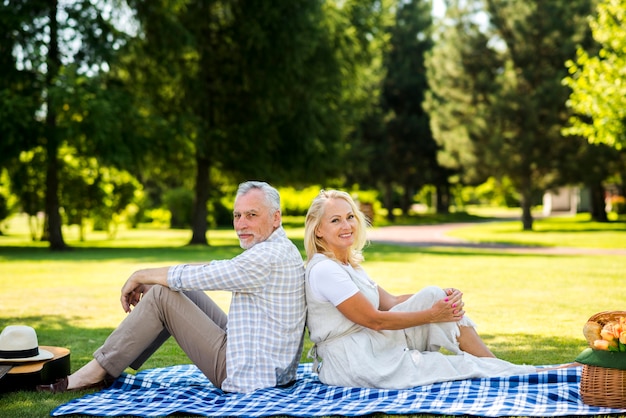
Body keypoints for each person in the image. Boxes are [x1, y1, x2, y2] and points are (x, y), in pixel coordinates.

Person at [38, 181, 306, 394]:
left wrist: (143, 274)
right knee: (176, 288)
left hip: (248, 375)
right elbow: (213, 269)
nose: (241, 224)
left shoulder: (267, 257)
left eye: (251, 215)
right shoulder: (278, 248)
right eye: (237, 215)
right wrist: (154, 276)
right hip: (264, 362)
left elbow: (212, 274)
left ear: (276, 218)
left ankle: (96, 372)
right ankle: (111, 366)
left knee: (161, 296)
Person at [303, 189, 539, 389]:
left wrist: (442, 299)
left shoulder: (346, 266)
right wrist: (433, 314)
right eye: (335, 220)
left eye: (350, 217)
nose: (347, 225)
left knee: (434, 294)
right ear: (318, 230)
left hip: (372, 347)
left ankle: (501, 366)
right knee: (458, 366)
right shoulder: (326, 271)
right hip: (355, 362)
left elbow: (392, 302)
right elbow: (375, 320)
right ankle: (519, 372)